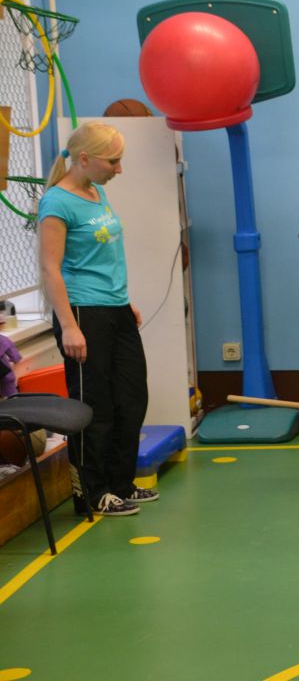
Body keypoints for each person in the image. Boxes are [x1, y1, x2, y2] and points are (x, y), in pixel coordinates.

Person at [38, 122, 151, 516]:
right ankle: (92, 491)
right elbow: (51, 269)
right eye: (113, 161)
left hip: (115, 309)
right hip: (82, 313)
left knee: (132, 399)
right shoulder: (57, 203)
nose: (119, 169)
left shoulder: (95, 191)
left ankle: (120, 484)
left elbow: (103, 257)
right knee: (94, 406)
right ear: (84, 158)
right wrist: (69, 326)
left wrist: (124, 301)